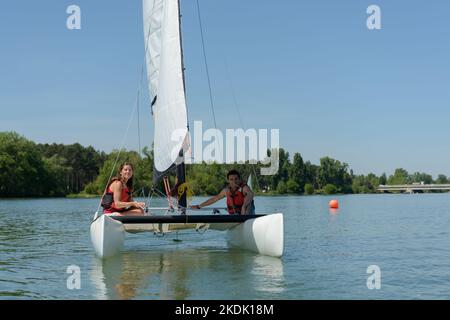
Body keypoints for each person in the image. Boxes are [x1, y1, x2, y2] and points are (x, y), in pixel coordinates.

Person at [190, 169, 255, 215]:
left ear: (239, 179)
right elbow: (214, 199)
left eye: (236, 179)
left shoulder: (244, 188)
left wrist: (244, 206)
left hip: (246, 214)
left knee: (248, 203)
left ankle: (244, 216)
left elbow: (251, 194)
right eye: (231, 179)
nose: (234, 181)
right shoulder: (226, 191)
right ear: (228, 181)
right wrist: (199, 206)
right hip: (235, 215)